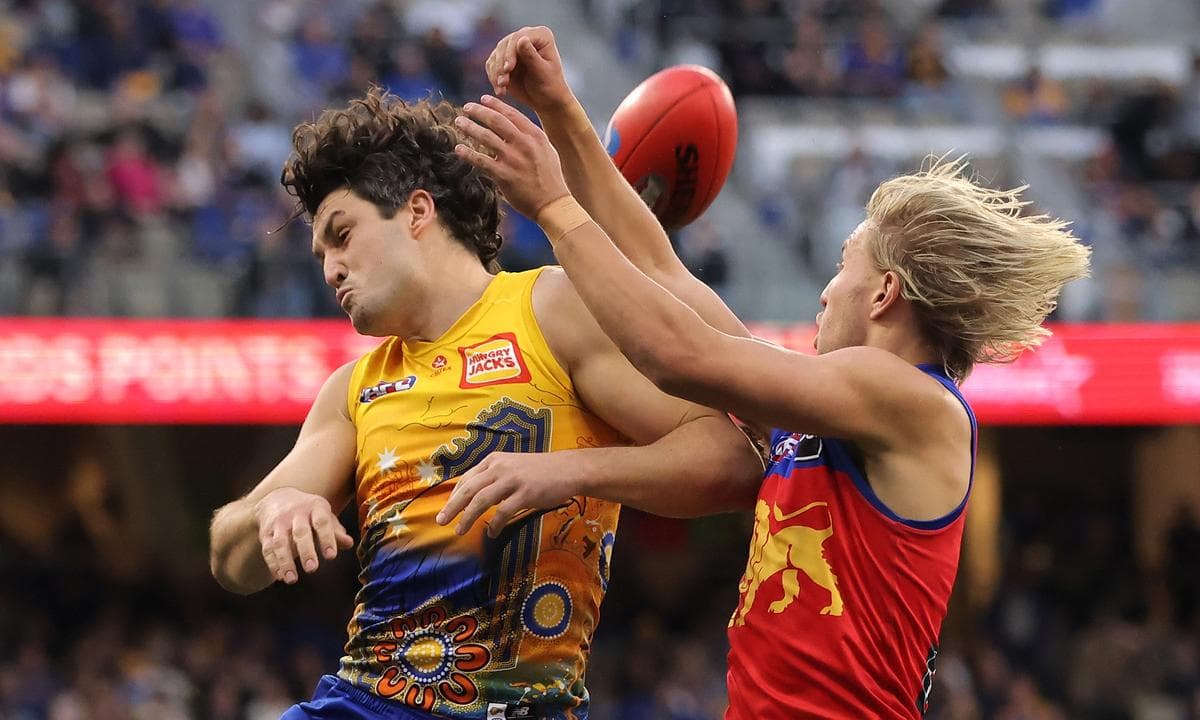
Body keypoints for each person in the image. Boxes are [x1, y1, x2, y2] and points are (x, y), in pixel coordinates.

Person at [450, 27, 1090, 719]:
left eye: (843, 268)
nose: (824, 291)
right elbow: (663, 271)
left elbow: (677, 354)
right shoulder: (835, 401)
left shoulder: (911, 399)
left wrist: (553, 207)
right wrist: (562, 109)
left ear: (884, 295)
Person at [208, 87, 763, 720]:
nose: (331, 268)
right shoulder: (354, 388)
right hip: (368, 704)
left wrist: (571, 470)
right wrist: (274, 506)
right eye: (322, 254)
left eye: (342, 235)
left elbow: (733, 458)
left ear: (418, 211)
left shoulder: (552, 310)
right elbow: (229, 556)